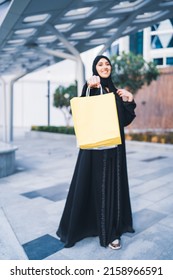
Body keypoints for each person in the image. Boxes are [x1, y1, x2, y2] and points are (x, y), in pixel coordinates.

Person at [56, 55, 136, 250]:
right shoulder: (92, 87)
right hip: (95, 149)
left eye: (107, 64)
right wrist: (89, 87)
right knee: (98, 185)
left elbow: (123, 120)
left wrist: (129, 100)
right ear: (95, 69)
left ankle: (113, 228)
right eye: (100, 64)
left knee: (113, 185)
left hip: (115, 148)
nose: (105, 67)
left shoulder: (115, 91)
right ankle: (106, 232)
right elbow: (84, 112)